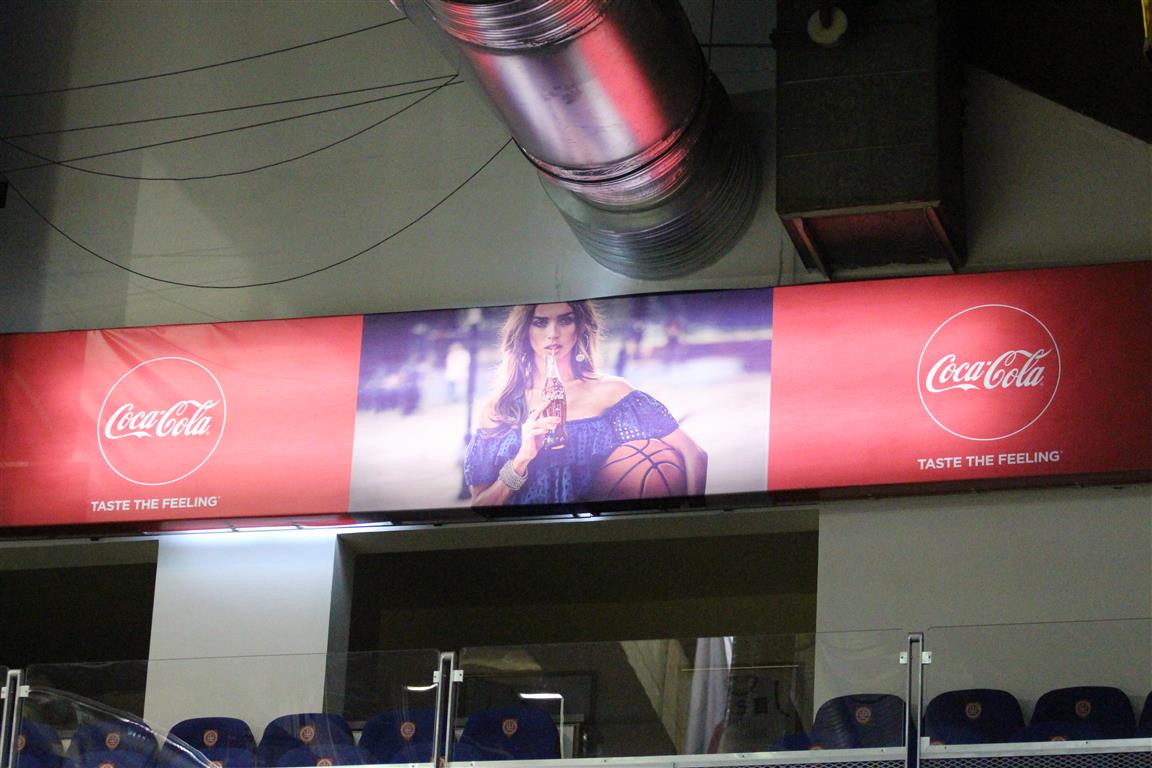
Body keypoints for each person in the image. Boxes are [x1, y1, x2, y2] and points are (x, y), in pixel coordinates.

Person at [465, 301, 707, 506]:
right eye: (540, 322)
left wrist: (691, 518)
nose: (553, 333)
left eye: (565, 320)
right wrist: (521, 460)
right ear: (525, 330)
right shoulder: (500, 408)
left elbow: (695, 454)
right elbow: (480, 505)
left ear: (580, 327)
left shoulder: (612, 391)